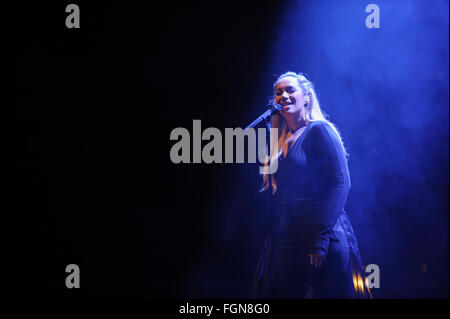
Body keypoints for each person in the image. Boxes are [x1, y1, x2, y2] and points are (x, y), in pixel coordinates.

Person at [252, 72, 369, 298]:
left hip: (323, 234)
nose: (283, 96)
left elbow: (341, 183)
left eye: (290, 90)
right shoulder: (278, 140)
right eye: (278, 93)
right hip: (289, 237)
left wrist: (321, 239)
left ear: (306, 97)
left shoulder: (320, 130)